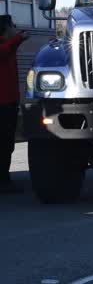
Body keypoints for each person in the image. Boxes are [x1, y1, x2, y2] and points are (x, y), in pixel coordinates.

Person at [0, 16, 28, 193]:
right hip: (2, 105)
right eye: (13, 26)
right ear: (6, 27)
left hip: (9, 103)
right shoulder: (4, 47)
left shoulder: (8, 46)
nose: (15, 29)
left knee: (7, 144)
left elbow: (9, 49)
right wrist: (18, 38)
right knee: (3, 144)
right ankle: (3, 181)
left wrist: (17, 40)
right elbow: (4, 51)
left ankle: (5, 178)